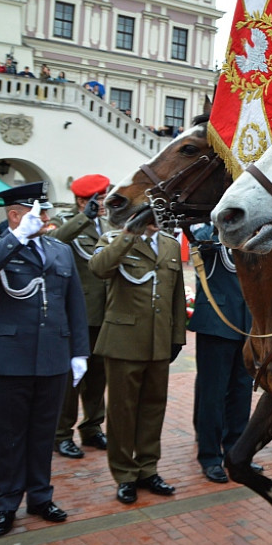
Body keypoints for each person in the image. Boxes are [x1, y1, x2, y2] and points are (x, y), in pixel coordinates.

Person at [0, 182, 88, 536]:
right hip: (7, 359)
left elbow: (74, 305)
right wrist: (17, 237)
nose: (47, 218)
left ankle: (40, 496)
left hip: (52, 357)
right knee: (8, 436)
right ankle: (6, 503)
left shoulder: (60, 250)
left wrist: (79, 351)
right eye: (38, 212)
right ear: (15, 214)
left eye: (46, 211)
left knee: (42, 434)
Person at [89, 206, 185, 504]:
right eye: (150, 215)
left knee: (153, 408)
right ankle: (125, 474)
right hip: (123, 341)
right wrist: (130, 233)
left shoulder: (169, 243)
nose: (157, 220)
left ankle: (148, 468)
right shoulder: (114, 239)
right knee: (122, 411)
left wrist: (176, 337)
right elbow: (99, 268)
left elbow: (177, 294)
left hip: (158, 342)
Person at [49, 174, 112, 459]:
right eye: (96, 199)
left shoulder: (110, 224)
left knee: (98, 376)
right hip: (78, 315)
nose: (101, 203)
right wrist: (82, 219)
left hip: (106, 314)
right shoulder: (66, 222)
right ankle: (61, 434)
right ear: (80, 201)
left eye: (103, 197)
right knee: (72, 379)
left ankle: (92, 427)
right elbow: (52, 243)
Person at [188, 223, 254, 483]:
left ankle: (236, 452)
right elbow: (198, 245)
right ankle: (210, 456)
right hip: (216, 324)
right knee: (212, 396)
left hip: (246, 324)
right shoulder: (207, 234)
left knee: (241, 392)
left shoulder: (250, 234)